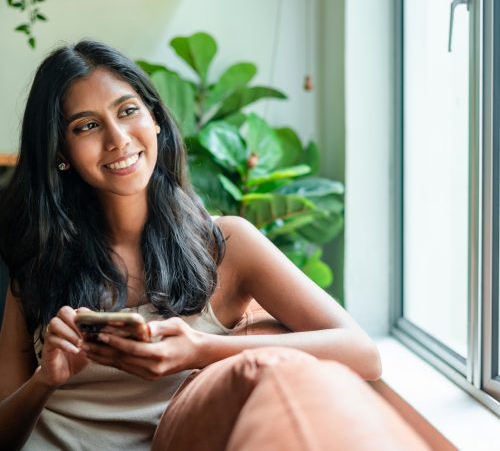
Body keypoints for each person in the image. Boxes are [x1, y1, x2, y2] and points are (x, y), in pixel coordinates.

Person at [0, 40, 384, 450]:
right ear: (62, 151)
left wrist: (200, 350)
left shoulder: (226, 244)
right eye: (87, 126)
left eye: (128, 111)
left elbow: (362, 353)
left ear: (156, 118)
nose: (117, 139)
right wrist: (46, 380)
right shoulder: (40, 257)